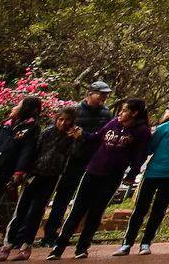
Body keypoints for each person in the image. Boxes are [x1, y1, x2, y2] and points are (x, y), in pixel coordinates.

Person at [48, 98, 152, 260]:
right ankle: (58, 247)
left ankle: (82, 247)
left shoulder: (142, 131)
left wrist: (132, 174)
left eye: (124, 110)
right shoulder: (113, 123)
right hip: (93, 171)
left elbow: (139, 155)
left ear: (134, 113)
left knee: (96, 211)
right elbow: (96, 138)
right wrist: (81, 134)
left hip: (112, 176)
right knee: (77, 209)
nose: (121, 113)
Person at [116, 100, 169, 255]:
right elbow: (149, 149)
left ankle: (146, 242)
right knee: (140, 209)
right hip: (153, 173)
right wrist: (133, 168)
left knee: (159, 210)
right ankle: (127, 243)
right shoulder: (164, 128)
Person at [1, 103, 78, 262]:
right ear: (57, 118)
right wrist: (22, 174)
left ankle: (26, 247)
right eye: (61, 119)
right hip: (34, 175)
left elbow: (73, 155)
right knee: (20, 211)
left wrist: (76, 138)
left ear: (72, 122)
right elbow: (33, 152)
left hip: (52, 178)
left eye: (67, 121)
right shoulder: (46, 132)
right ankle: (6, 247)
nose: (63, 123)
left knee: (36, 213)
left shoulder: (71, 137)